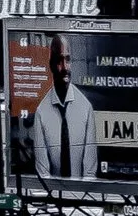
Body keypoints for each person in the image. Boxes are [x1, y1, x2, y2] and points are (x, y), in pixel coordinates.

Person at [30, 36, 99, 180]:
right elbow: (42, 170)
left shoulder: (85, 107)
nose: (65, 67)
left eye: (68, 59)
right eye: (59, 61)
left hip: (82, 194)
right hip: (54, 195)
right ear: (51, 65)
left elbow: (90, 169)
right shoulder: (42, 112)